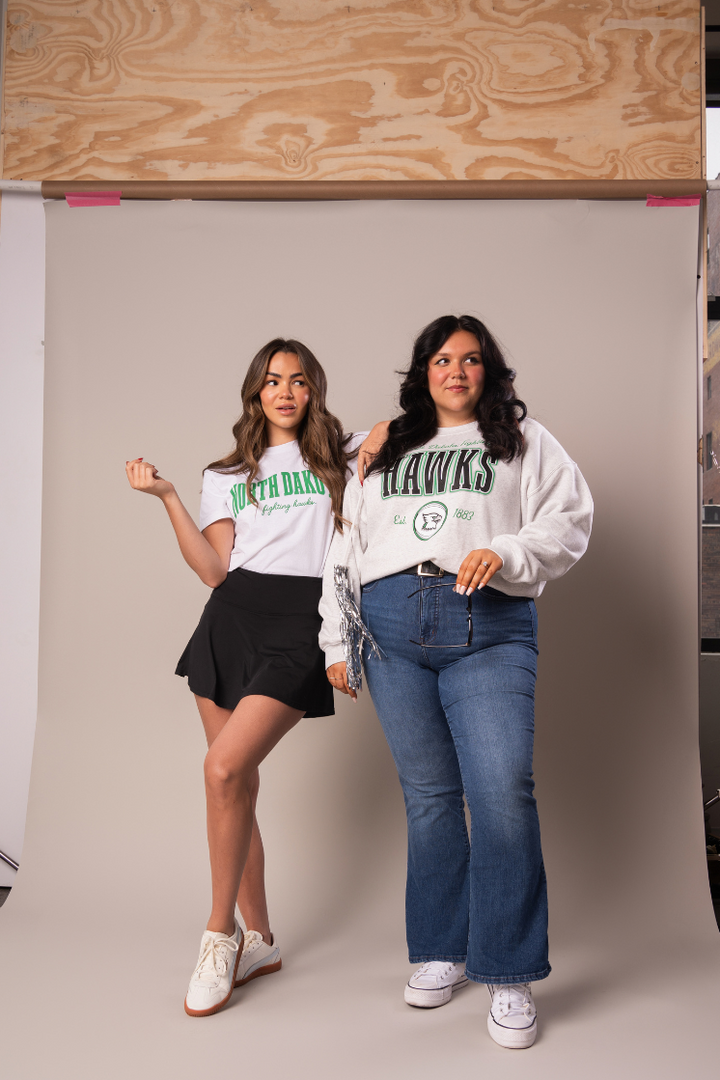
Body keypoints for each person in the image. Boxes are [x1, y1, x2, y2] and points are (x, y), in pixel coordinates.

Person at [320, 314, 593, 1049]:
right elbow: (346, 540)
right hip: (388, 630)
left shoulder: (524, 441)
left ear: (489, 371)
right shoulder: (384, 448)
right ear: (423, 372)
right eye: (442, 359)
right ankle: (443, 950)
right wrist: (334, 638)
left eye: (471, 360)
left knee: (501, 789)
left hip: (488, 627)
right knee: (431, 797)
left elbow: (570, 519)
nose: (457, 371)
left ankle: (507, 972)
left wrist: (504, 551)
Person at [126, 338, 376, 1018]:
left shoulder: (344, 453)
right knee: (233, 782)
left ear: (313, 390)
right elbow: (214, 569)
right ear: (255, 393)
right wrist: (170, 496)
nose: (286, 391)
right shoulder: (228, 472)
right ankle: (259, 939)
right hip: (231, 620)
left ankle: (218, 934)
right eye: (272, 381)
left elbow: (408, 430)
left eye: (298, 380)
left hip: (302, 622)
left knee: (222, 771)